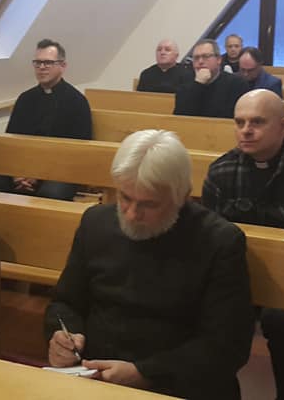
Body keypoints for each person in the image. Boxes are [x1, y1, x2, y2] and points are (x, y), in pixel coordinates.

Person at [46, 130, 254, 400]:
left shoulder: (219, 241)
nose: (132, 214)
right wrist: (63, 337)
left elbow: (226, 345)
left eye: (148, 204)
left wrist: (144, 373)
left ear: (182, 196)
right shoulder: (95, 222)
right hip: (95, 378)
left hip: (177, 384)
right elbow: (66, 302)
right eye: (125, 198)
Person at [203, 90, 284, 400]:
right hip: (237, 274)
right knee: (208, 310)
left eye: (257, 122)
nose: (246, 130)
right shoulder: (221, 170)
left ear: (283, 126)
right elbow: (211, 238)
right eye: (239, 122)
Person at [0, 39, 92, 201]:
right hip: (20, 169)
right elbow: (11, 142)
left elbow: (78, 150)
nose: (42, 67)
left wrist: (38, 175)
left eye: (48, 63)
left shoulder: (77, 101)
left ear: (62, 66)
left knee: (50, 195)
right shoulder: (25, 99)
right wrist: (17, 174)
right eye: (37, 63)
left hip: (61, 171)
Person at [174, 39, 249, 119]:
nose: (200, 61)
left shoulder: (237, 84)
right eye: (196, 58)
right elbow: (179, 117)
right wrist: (198, 84)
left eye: (206, 56)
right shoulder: (185, 82)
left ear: (218, 59)